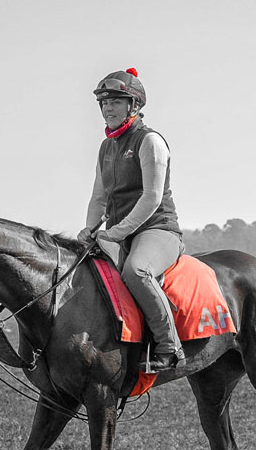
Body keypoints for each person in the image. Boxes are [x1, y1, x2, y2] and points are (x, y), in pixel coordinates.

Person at [77, 67, 186, 371]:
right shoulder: (105, 147)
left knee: (136, 271)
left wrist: (115, 232)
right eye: (104, 103)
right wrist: (89, 228)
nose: (107, 109)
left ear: (133, 106)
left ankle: (170, 347)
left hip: (157, 229)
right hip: (120, 233)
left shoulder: (149, 141)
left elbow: (151, 198)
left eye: (114, 102)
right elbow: (99, 197)